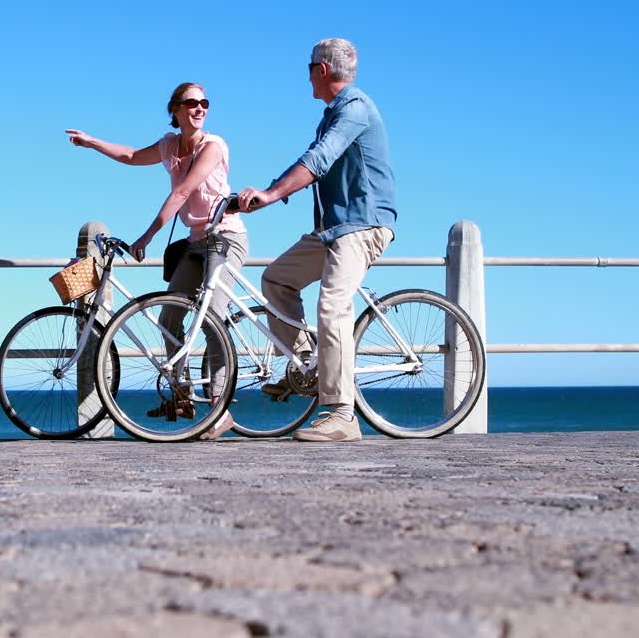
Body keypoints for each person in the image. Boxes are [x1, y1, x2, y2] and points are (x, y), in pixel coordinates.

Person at [65, 82, 248, 440]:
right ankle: (182, 396)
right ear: (175, 110)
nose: (199, 108)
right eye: (191, 103)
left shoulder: (213, 146)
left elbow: (182, 192)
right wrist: (91, 142)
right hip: (195, 241)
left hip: (225, 238)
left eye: (204, 102)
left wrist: (146, 236)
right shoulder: (169, 146)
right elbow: (131, 156)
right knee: (169, 316)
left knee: (212, 318)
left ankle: (219, 408)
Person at [236, 38, 396, 442]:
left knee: (333, 306)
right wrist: (264, 194)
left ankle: (342, 414)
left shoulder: (355, 108)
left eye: (309, 68)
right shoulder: (331, 115)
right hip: (332, 229)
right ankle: (308, 365)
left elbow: (319, 160)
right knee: (276, 279)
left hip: (362, 225)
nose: (306, 76)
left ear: (321, 70)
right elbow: (307, 160)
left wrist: (271, 195)